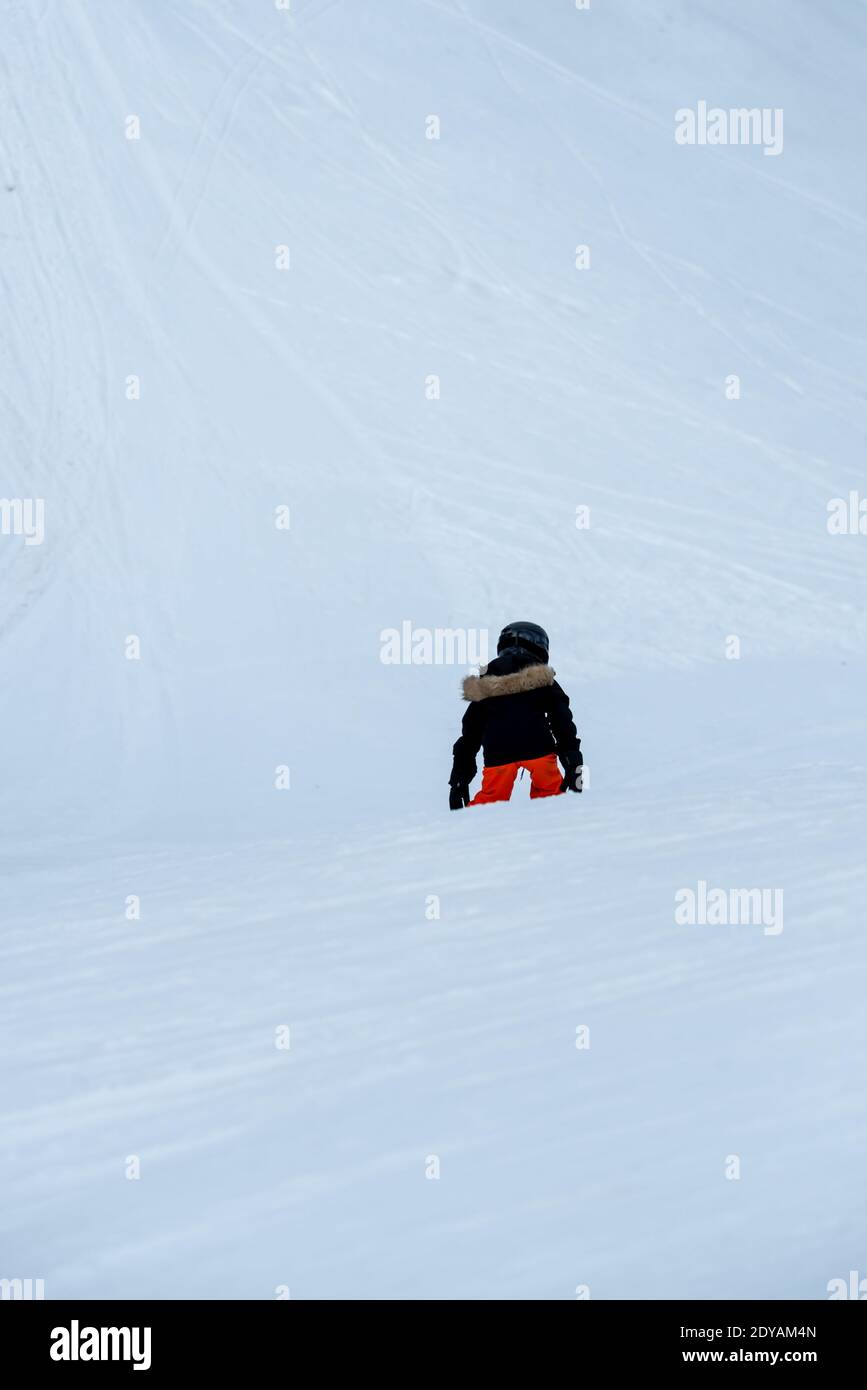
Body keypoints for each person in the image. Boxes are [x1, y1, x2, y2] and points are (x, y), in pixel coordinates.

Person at [449, 622, 582, 809]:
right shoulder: (543, 678)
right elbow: (562, 721)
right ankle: (558, 822)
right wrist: (573, 761)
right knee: (550, 795)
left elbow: (470, 734)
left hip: (498, 753)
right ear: (540, 647)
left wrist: (459, 779)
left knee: (490, 801)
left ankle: (469, 829)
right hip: (538, 748)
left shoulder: (486, 682)